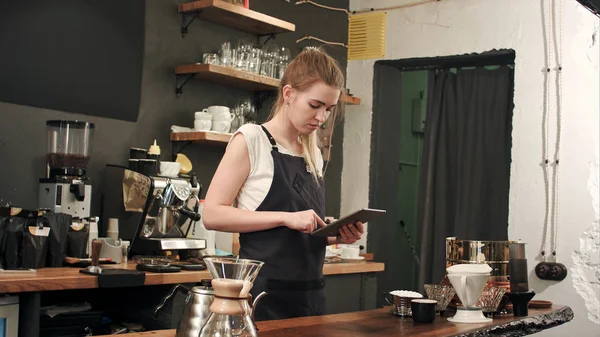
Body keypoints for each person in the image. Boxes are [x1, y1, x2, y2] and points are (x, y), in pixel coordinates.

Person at [202, 47, 364, 321]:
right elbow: (212, 213)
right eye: (314, 106)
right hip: (264, 297)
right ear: (289, 94)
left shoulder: (311, 152)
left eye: (328, 109)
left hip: (310, 296)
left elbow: (300, 231)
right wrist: (286, 218)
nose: (321, 118)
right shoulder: (252, 139)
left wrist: (334, 234)